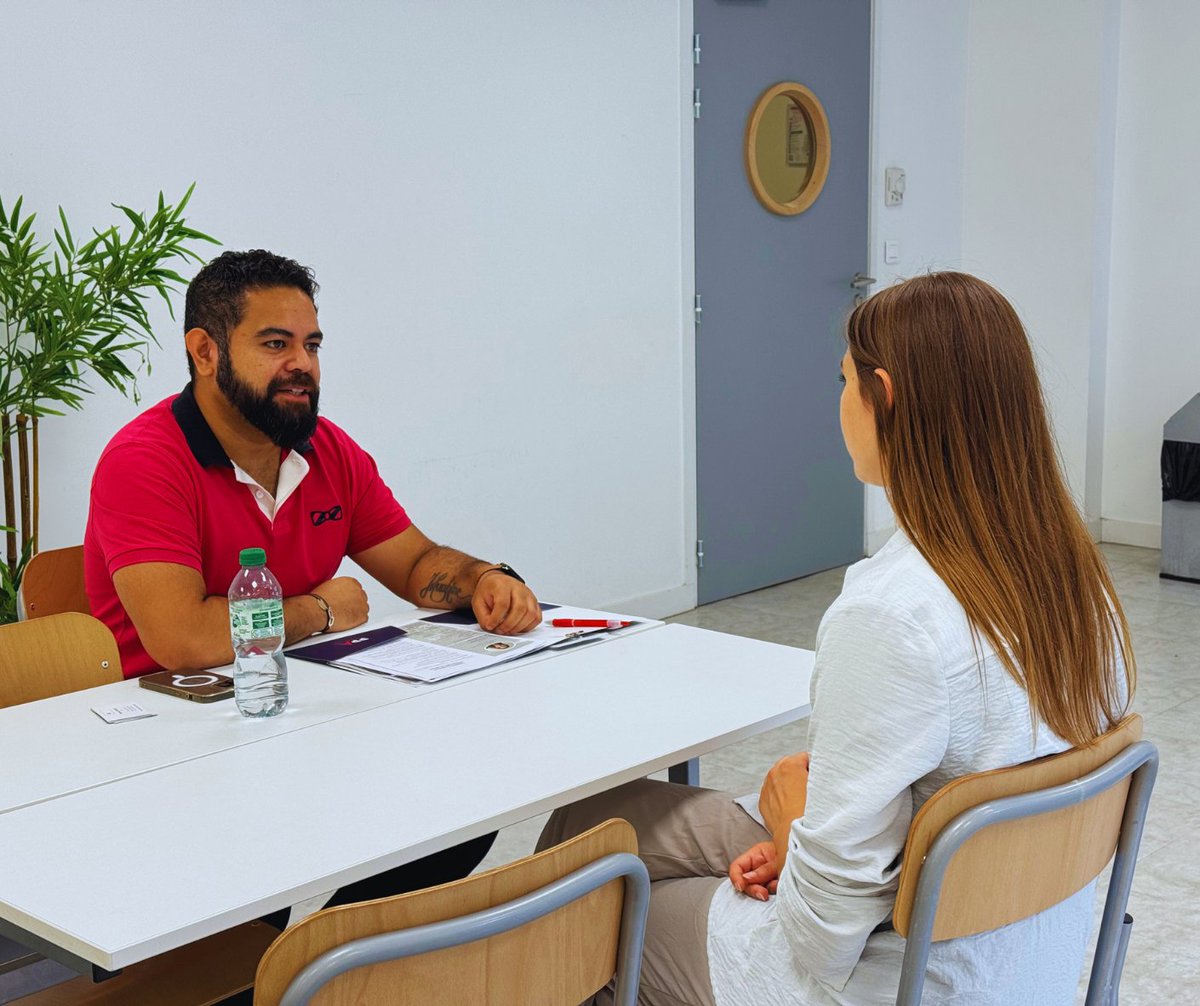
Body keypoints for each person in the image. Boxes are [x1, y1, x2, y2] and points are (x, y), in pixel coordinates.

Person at [539, 272, 1136, 1005]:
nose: (840, 401)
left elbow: (822, 937)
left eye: (843, 381)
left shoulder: (894, 614)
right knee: (595, 821)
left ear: (884, 395)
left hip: (899, 979)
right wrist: (808, 836)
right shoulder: (1079, 582)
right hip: (1030, 953)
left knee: (587, 925)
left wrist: (793, 824)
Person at [83, 248, 541, 910]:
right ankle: (302, 955)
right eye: (276, 344)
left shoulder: (326, 449)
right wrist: (319, 611)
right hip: (170, 748)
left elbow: (416, 563)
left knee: (457, 806)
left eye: (312, 345)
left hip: (294, 717)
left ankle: (325, 954)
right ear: (205, 352)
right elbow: (183, 640)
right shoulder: (144, 460)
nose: (303, 364)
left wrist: (482, 579)